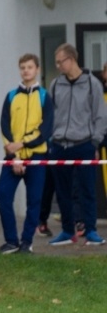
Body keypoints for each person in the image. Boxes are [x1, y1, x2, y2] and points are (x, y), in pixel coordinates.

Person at [47, 44, 107, 246]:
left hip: (83, 144)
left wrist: (95, 141)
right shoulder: (55, 85)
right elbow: (49, 115)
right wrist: (50, 139)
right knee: (62, 191)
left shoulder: (92, 84)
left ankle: (91, 230)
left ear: (71, 59)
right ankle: (67, 230)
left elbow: (100, 116)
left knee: (87, 189)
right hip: (59, 145)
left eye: (60, 61)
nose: (58, 65)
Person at [0, 53, 54, 255]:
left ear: (37, 69)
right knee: (2, 194)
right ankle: (11, 241)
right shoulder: (11, 96)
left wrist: (23, 144)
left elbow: (46, 130)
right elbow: (4, 126)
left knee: (34, 199)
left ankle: (26, 242)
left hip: (37, 156)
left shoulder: (45, 96)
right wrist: (14, 155)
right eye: (22, 67)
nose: (26, 70)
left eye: (29, 67)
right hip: (13, 157)